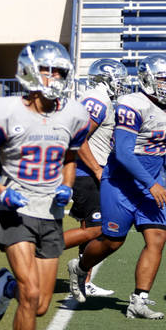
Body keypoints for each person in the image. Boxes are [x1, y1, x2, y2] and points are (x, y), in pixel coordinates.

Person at [0, 40, 90, 330]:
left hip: (51, 214)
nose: (54, 77)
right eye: (47, 70)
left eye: (59, 71)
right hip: (16, 211)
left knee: (38, 305)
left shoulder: (75, 114)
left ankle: (4, 285)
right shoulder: (3, 111)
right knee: (32, 292)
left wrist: (67, 187)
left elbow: (70, 157)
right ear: (28, 71)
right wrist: (0, 191)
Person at [66, 54, 166, 318]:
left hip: (151, 183)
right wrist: (151, 183)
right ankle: (80, 267)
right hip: (120, 183)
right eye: (163, 79)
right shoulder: (131, 105)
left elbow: (161, 142)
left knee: (157, 238)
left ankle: (139, 300)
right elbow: (123, 152)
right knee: (112, 242)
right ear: (147, 79)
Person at [63, 58, 129, 300]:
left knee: (90, 228)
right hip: (87, 172)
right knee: (98, 230)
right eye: (119, 79)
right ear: (106, 79)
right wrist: (98, 170)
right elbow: (78, 137)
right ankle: (43, 247)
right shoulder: (97, 99)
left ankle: (84, 280)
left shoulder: (100, 99)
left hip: (87, 171)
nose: (123, 84)